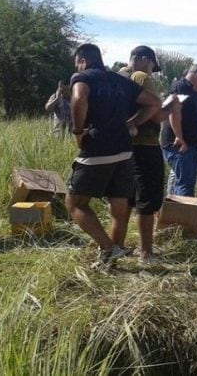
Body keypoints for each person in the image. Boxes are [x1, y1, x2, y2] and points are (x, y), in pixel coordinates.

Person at [64, 43, 166, 268]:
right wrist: (132, 125)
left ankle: (108, 247)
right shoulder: (120, 80)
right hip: (125, 150)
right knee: (119, 207)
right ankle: (110, 261)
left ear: (82, 60)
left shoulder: (83, 77)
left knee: (75, 204)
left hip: (98, 147)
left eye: (77, 63)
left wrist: (78, 131)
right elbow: (154, 103)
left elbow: (79, 99)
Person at [118, 45, 180, 265]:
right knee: (146, 200)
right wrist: (171, 106)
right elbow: (155, 114)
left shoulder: (117, 77)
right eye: (153, 65)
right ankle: (146, 253)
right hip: (145, 146)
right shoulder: (142, 77)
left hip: (121, 147)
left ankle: (117, 246)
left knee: (123, 199)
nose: (153, 71)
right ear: (144, 59)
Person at [162, 64, 197, 196]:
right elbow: (173, 111)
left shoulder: (195, 92)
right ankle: (184, 214)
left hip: (191, 145)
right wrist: (179, 137)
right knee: (185, 184)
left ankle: (174, 211)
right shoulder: (181, 88)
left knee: (186, 181)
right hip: (180, 145)